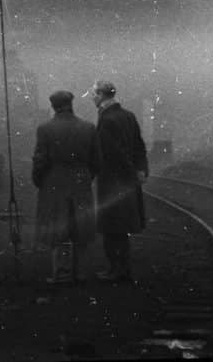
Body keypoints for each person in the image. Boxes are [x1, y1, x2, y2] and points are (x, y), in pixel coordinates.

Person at [32, 89, 98, 283]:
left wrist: (40, 180)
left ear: (53, 106)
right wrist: (86, 177)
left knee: (57, 227)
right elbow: (97, 160)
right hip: (81, 181)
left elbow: (40, 160)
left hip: (54, 183)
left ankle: (60, 273)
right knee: (81, 228)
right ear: (71, 104)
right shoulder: (88, 128)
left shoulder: (45, 129)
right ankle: (81, 273)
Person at [91, 79, 148, 282]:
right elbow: (139, 146)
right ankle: (122, 268)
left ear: (101, 95)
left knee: (111, 228)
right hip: (128, 182)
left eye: (94, 93)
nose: (92, 97)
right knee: (122, 228)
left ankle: (116, 270)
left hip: (113, 182)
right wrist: (141, 171)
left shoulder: (106, 119)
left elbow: (114, 153)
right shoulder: (129, 116)